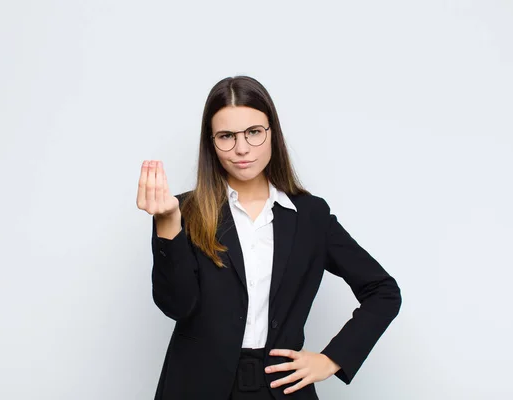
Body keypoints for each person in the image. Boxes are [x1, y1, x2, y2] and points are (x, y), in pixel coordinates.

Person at [136, 76, 402, 400]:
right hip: (196, 386)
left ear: (271, 133)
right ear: (211, 142)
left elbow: (383, 291)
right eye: (226, 136)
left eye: (253, 132)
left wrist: (333, 359)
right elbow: (177, 306)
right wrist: (167, 223)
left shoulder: (310, 216)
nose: (242, 148)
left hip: (281, 388)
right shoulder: (182, 212)